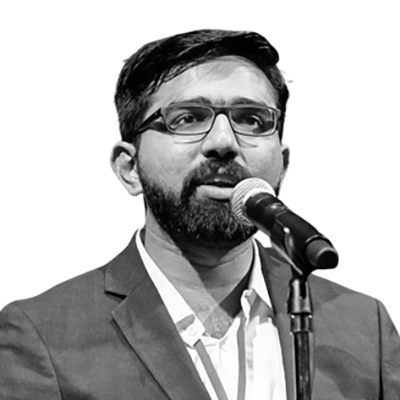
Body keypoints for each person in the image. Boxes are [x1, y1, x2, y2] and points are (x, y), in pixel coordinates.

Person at [0, 29, 399, 400]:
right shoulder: (44, 336)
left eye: (252, 120)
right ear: (130, 167)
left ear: (283, 165)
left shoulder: (364, 329)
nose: (223, 142)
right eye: (188, 118)